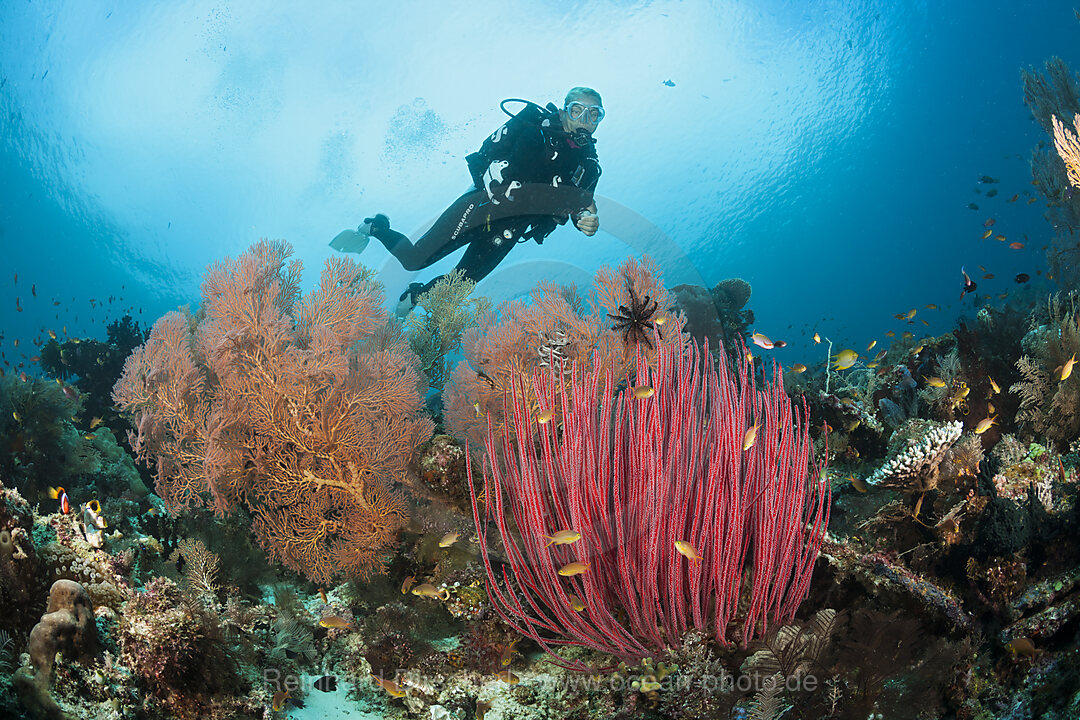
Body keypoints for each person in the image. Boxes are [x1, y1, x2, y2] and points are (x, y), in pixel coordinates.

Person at [331, 87, 604, 314]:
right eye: (577, 110)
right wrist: (499, 171)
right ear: (563, 110)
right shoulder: (534, 128)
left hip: (510, 229)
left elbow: (581, 206)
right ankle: (377, 227)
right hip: (481, 207)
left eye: (594, 114)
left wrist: (586, 220)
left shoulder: (589, 166)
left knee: (460, 285)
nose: (584, 119)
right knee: (414, 260)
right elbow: (497, 161)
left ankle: (417, 295)